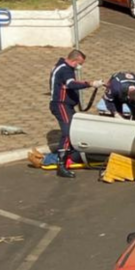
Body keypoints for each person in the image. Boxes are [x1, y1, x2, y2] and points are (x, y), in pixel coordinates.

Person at [49, 50, 103, 179]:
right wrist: (90, 83)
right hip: (61, 104)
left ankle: (70, 155)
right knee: (67, 132)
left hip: (65, 104)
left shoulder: (62, 66)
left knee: (73, 130)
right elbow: (71, 84)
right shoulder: (65, 70)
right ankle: (61, 165)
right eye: (80, 64)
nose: (80, 67)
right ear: (74, 60)